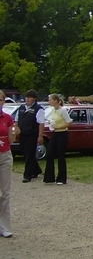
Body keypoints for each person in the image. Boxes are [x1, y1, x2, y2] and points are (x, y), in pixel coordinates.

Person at [15, 89, 45, 183]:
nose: (27, 99)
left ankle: (27, 175)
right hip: (23, 133)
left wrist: (40, 136)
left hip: (32, 134)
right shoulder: (21, 108)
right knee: (25, 152)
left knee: (29, 153)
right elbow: (16, 119)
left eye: (29, 97)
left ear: (34, 99)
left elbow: (41, 123)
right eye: (26, 97)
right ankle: (36, 170)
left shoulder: (38, 109)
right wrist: (16, 128)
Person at [43, 94, 72, 185]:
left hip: (62, 134)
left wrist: (59, 127)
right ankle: (49, 177)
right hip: (54, 133)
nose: (49, 101)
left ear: (56, 100)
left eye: (50, 100)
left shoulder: (62, 110)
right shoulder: (52, 110)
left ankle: (61, 178)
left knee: (60, 155)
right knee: (50, 154)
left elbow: (69, 122)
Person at [0, 90, 15, 237]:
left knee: (5, 192)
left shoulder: (7, 118)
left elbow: (11, 138)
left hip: (4, 154)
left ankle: (4, 226)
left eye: (0, 100)